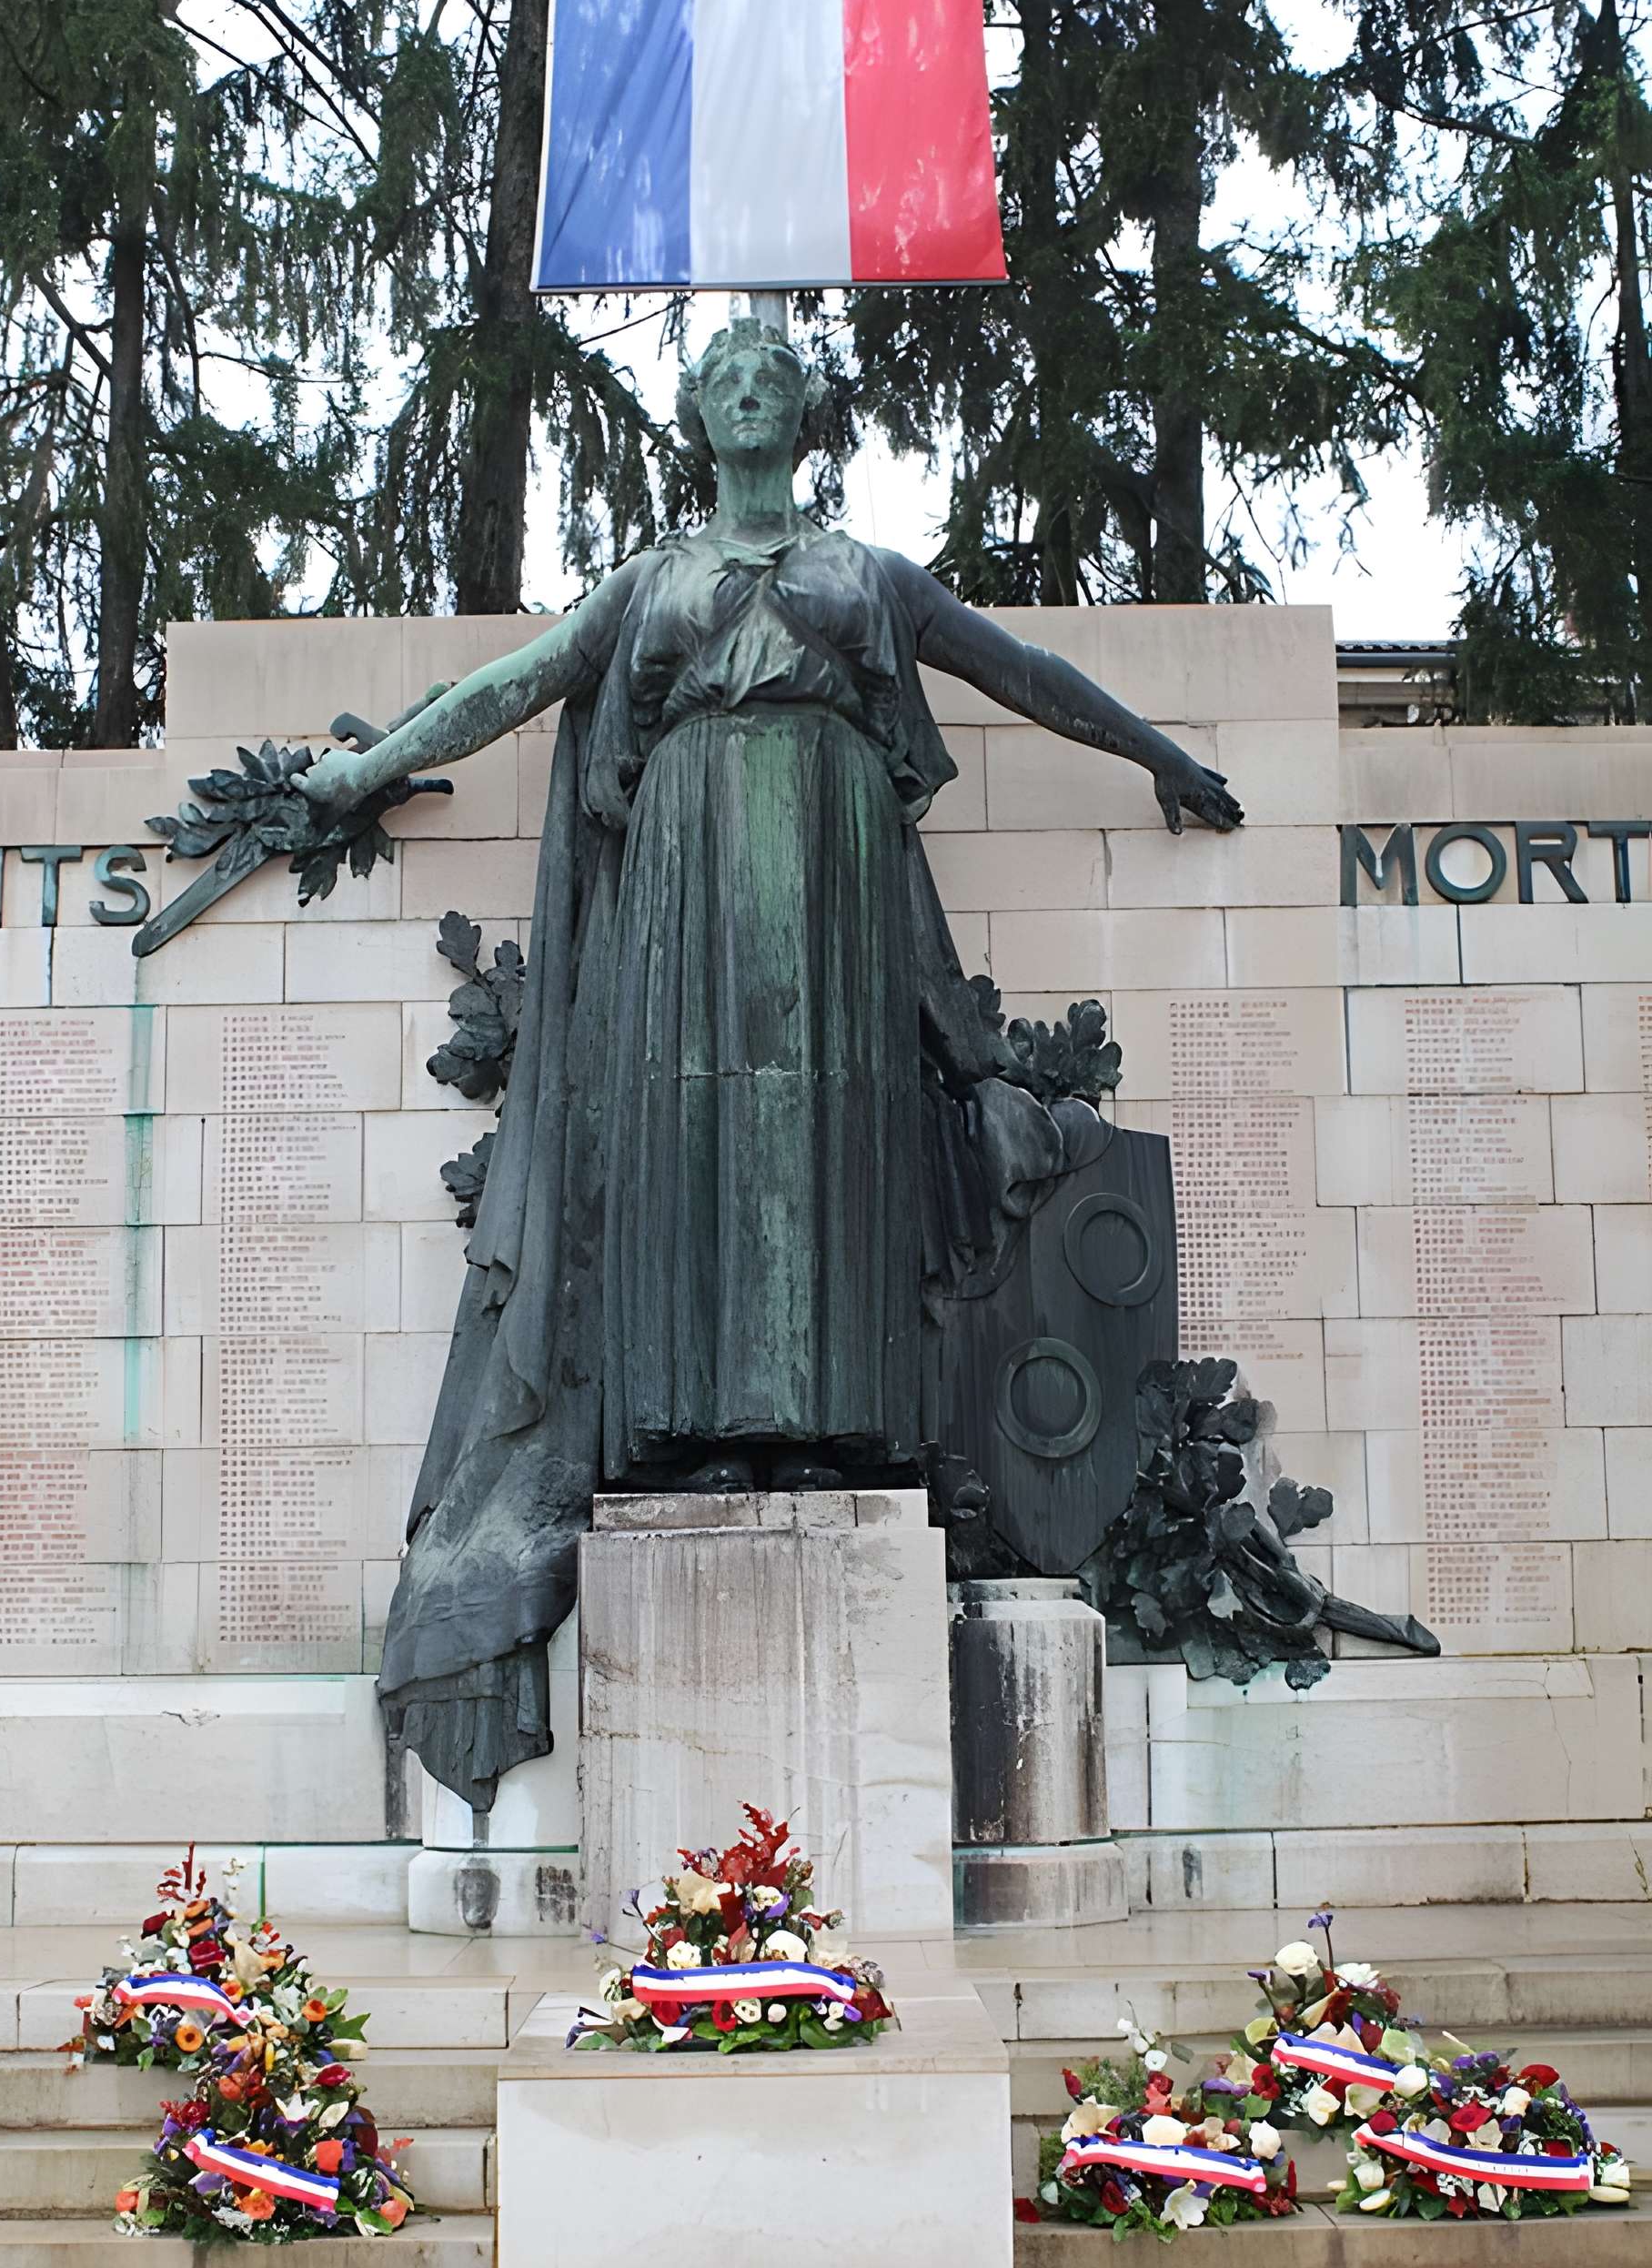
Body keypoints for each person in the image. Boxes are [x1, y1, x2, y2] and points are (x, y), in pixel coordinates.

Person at [297, 318, 1242, 1809]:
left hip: (838, 867)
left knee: (826, 1153)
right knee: (697, 1157)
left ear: (803, 412)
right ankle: (695, 1439)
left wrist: (1158, 756)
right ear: (698, 417)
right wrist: (362, 769)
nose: (747, 393)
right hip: (679, 875)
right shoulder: (651, 583)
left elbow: (1022, 669)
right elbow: (512, 685)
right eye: (722, 378)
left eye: (771, 377)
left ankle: (826, 1436)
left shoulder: (865, 574)